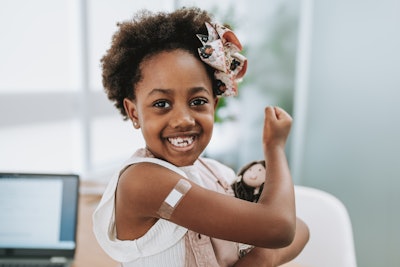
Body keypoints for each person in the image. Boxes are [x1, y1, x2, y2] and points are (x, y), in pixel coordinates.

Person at [93, 6, 309, 267]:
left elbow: (299, 228)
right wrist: (274, 148)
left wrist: (262, 255)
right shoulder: (142, 182)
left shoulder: (216, 174)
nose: (183, 119)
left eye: (197, 101)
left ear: (214, 106)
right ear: (134, 113)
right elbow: (280, 227)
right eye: (161, 104)